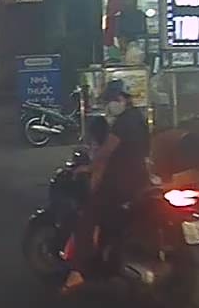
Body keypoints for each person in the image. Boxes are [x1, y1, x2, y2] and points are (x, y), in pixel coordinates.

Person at [62, 80, 151, 293]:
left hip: (121, 182)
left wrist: (90, 168)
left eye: (111, 101)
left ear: (121, 99)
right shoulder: (139, 118)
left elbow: (105, 152)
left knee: (88, 214)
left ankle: (78, 272)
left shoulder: (123, 123)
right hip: (140, 178)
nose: (109, 106)